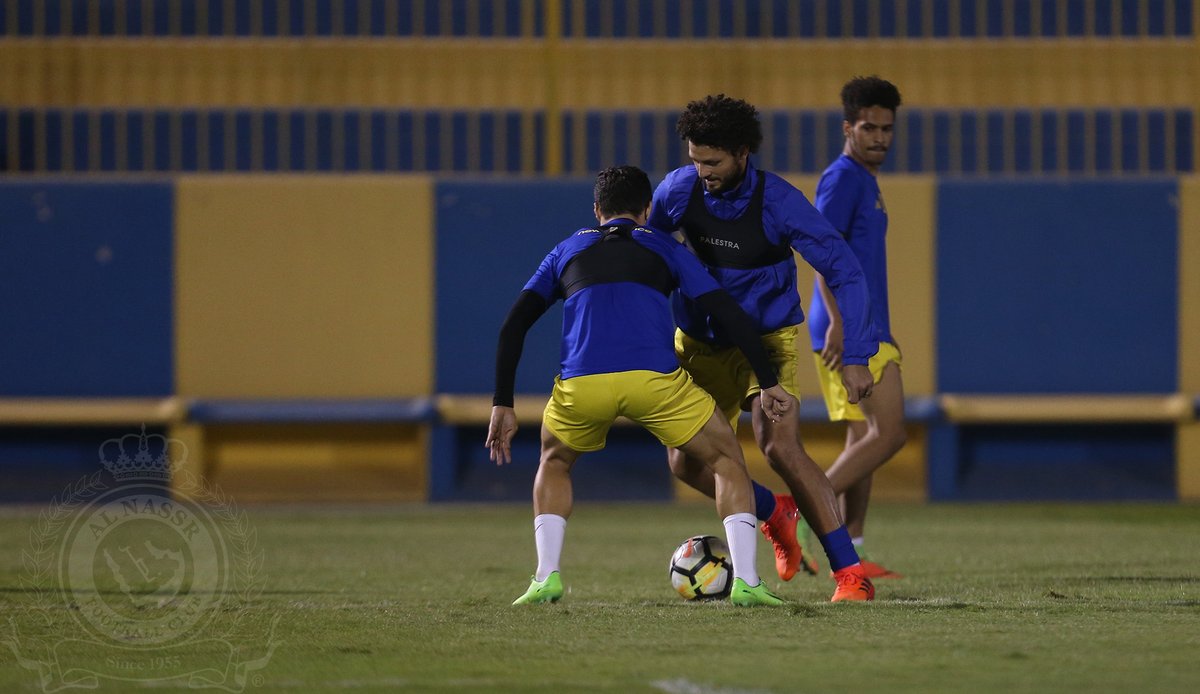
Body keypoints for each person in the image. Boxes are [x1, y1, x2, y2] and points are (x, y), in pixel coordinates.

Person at [487, 165, 790, 607]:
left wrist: (503, 402)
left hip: (582, 386)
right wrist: (767, 380)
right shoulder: (665, 246)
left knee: (554, 461)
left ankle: (545, 577)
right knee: (727, 460)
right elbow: (726, 310)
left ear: (597, 211)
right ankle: (746, 580)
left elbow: (514, 324)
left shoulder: (566, 249)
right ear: (645, 211)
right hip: (655, 383)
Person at [649, 95, 876, 602]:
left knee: (780, 446)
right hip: (699, 343)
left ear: (743, 153)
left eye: (713, 162)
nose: (701, 171)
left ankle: (851, 575)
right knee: (685, 464)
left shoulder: (779, 202)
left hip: (766, 343)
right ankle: (774, 513)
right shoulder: (677, 192)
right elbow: (648, 260)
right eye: (694, 159)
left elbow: (844, 268)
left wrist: (857, 354)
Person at [807, 76, 907, 579]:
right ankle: (799, 510)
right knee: (888, 434)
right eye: (869, 127)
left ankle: (854, 549)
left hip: (864, 326)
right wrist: (843, 327)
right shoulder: (844, 179)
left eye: (887, 128)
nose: (880, 137)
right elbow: (822, 255)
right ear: (848, 127)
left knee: (862, 439)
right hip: (846, 331)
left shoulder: (865, 179)